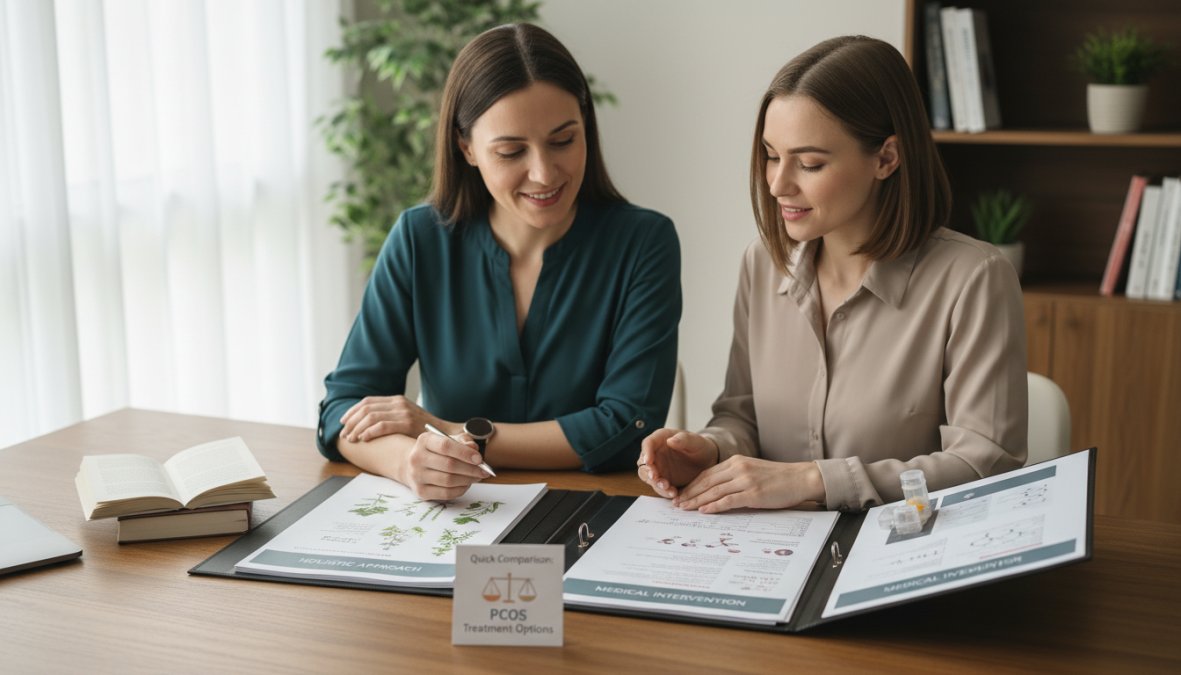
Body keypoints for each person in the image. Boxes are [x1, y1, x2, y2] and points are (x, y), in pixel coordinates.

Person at [639, 35, 1026, 514]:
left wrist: (812, 480)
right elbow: (742, 417)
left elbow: (985, 466)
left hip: (898, 561)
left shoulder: (975, 278)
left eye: (810, 163)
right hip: (773, 555)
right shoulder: (761, 264)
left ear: (887, 157)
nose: (778, 183)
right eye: (770, 154)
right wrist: (710, 449)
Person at [318, 23, 681, 500]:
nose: (544, 172)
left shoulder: (643, 242)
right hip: (456, 518)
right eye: (511, 151)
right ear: (466, 147)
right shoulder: (419, 239)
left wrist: (448, 430)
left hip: (594, 516)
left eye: (563, 141)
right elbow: (342, 410)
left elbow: (626, 424)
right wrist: (409, 463)